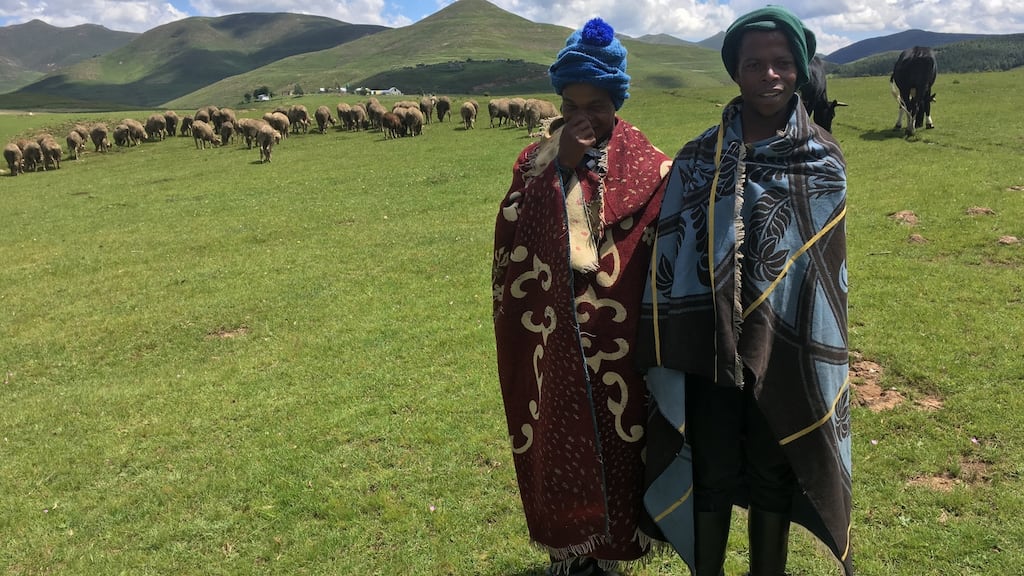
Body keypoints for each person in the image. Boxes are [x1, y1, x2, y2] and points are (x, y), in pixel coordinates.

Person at [635, 6, 853, 576]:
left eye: (783, 63)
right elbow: (672, 252)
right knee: (710, 466)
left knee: (770, 470)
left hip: (783, 345)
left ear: (801, 70)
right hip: (706, 345)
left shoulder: (821, 159)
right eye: (754, 63)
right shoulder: (696, 157)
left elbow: (819, 273)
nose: (769, 75)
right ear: (735, 70)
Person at [491, 17, 672, 576]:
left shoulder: (652, 166)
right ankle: (569, 552)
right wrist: (560, 169)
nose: (582, 115)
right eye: (571, 103)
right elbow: (511, 238)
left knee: (622, 447)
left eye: (596, 103)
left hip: (623, 348)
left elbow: (663, 253)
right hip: (554, 341)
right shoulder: (535, 161)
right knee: (556, 439)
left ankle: (610, 553)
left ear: (616, 100)